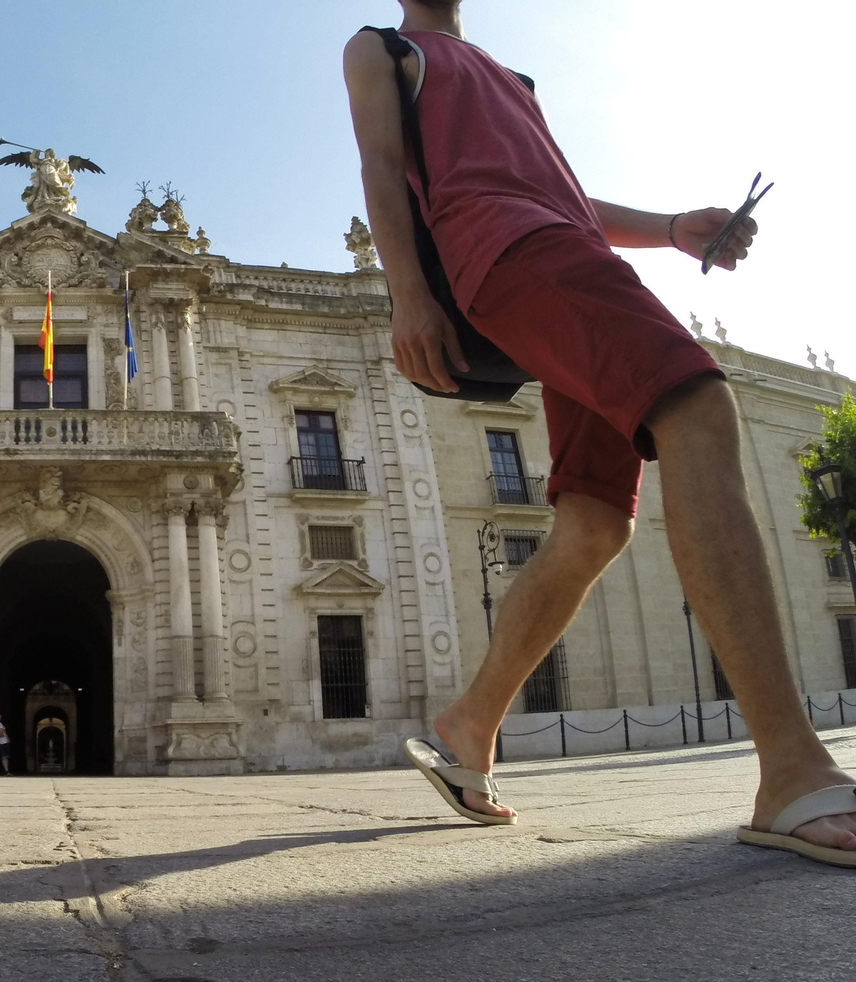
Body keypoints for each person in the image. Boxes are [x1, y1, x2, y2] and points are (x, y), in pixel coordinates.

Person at [344, 0, 856, 867]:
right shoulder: (382, 49)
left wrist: (669, 230)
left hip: (565, 247)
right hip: (510, 253)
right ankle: (790, 769)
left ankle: (470, 726)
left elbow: (568, 196)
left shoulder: (515, 80)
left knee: (595, 521)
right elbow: (383, 166)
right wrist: (408, 293)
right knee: (697, 403)